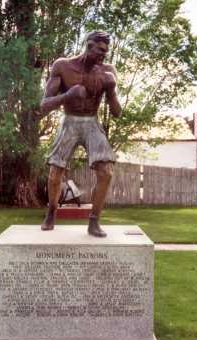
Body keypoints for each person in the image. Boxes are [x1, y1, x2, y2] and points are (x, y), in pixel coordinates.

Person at [40, 30, 122, 237]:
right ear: (89, 46)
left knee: (106, 172)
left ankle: (94, 221)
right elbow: (44, 105)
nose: (104, 56)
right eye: (100, 51)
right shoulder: (62, 66)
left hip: (92, 122)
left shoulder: (107, 71)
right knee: (54, 173)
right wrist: (68, 95)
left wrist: (111, 90)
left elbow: (117, 113)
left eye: (106, 51)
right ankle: (51, 211)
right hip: (70, 121)